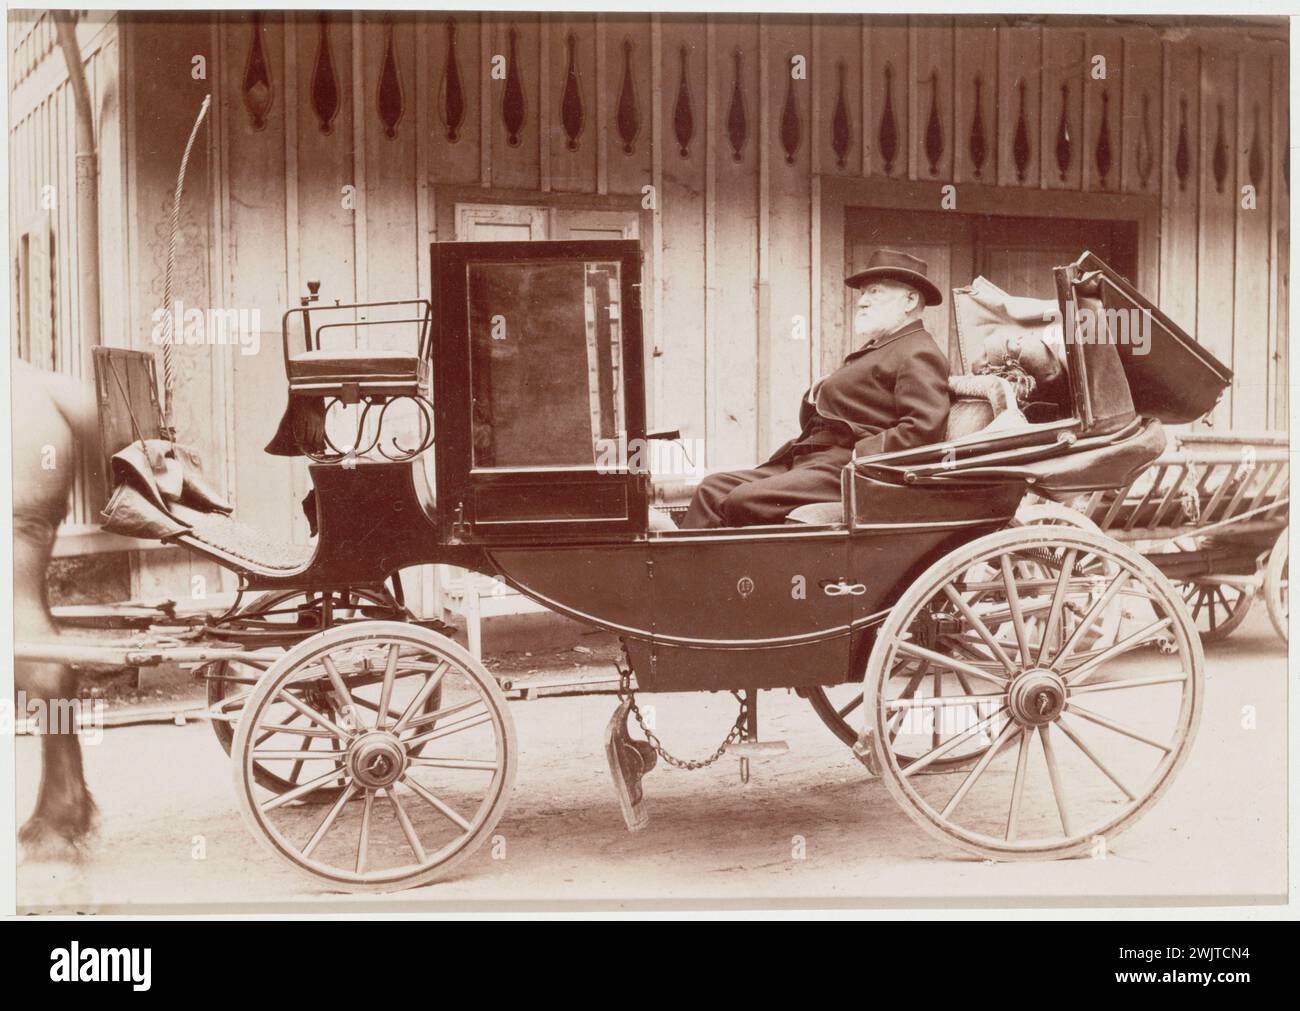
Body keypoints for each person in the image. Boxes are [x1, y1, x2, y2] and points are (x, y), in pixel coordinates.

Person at [680, 250, 951, 528]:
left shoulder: (918, 351)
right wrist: (817, 393)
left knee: (744, 499)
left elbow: (922, 429)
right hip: (813, 460)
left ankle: (735, 570)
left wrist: (860, 456)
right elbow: (831, 419)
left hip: (850, 468)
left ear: (910, 299)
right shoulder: (880, 348)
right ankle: (682, 570)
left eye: (874, 292)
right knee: (711, 488)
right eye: (862, 294)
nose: (862, 302)